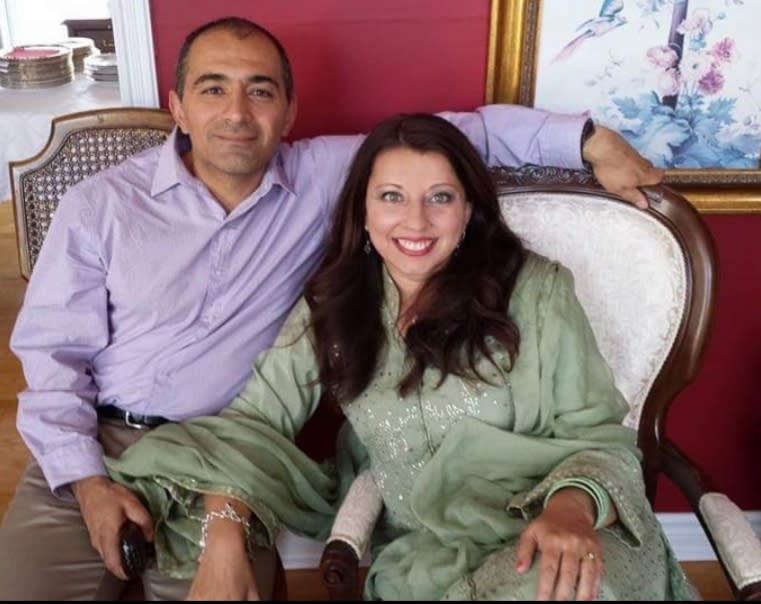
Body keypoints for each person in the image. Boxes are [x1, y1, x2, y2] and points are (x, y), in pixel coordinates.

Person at [0, 16, 663, 601]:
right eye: (212, 87)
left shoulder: (333, 175)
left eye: (260, 90)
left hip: (231, 451)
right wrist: (84, 481)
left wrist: (586, 140)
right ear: (177, 105)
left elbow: (456, 139)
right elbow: (53, 357)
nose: (236, 112)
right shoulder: (102, 206)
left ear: (288, 113)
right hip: (98, 437)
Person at [106, 113, 696, 600]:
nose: (415, 221)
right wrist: (224, 539)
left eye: (440, 198)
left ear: (468, 212)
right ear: (362, 212)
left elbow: (596, 433)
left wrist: (571, 510)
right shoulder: (333, 307)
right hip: (426, 563)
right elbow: (253, 422)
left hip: (559, 536)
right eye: (392, 197)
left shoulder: (537, 290)